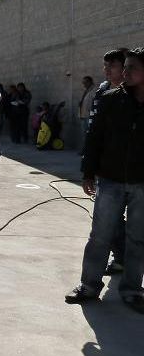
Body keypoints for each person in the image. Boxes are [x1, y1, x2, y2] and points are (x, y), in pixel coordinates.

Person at [65, 49, 144, 313]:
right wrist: (88, 173)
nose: (125, 73)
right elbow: (94, 139)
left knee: (137, 239)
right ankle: (89, 285)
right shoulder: (110, 99)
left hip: (141, 184)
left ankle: (132, 290)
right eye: (125, 67)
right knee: (100, 235)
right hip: (110, 180)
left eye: (132, 68)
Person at [86, 48, 129, 274]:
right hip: (107, 166)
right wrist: (89, 167)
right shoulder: (103, 91)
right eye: (105, 66)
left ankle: (126, 261)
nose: (107, 71)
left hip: (131, 168)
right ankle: (120, 256)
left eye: (111, 66)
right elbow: (94, 130)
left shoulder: (135, 94)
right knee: (106, 220)